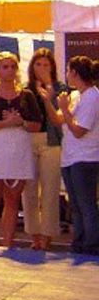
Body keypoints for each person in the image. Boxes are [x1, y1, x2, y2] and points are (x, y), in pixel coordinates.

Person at [0, 52, 39, 250]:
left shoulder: (27, 96)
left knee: (12, 199)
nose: (9, 70)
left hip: (18, 149)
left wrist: (21, 122)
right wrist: (4, 123)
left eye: (13, 66)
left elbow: (36, 124)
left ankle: (8, 243)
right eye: (5, 67)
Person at [25, 48, 66, 250]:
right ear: (32, 67)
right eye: (38, 64)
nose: (41, 68)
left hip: (51, 142)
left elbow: (59, 120)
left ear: (52, 68)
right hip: (29, 140)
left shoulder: (60, 89)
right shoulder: (25, 89)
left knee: (50, 190)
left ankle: (48, 235)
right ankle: (34, 234)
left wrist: (48, 96)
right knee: (29, 190)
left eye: (46, 65)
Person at [58, 56, 99, 255]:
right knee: (75, 204)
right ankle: (80, 240)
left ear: (74, 72)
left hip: (86, 157)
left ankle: (92, 243)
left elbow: (79, 130)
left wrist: (65, 109)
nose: (66, 75)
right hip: (71, 156)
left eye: (68, 71)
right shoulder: (76, 95)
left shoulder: (92, 96)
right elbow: (60, 120)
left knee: (86, 203)